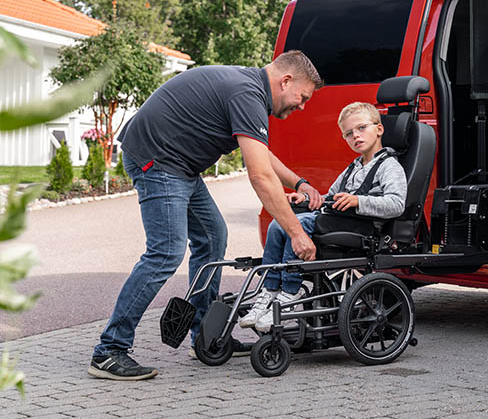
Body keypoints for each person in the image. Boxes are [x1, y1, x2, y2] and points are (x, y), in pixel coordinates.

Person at [88, 50, 325, 381]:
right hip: (158, 161)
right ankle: (109, 350)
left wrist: (299, 181)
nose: (301, 106)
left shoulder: (248, 87)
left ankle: (206, 338)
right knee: (165, 252)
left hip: (179, 165)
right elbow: (259, 176)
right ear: (285, 81)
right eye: (302, 97)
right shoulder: (248, 93)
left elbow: (262, 153)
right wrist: (297, 233)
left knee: (213, 237)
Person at [239, 101, 407, 332]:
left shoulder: (390, 166)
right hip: (338, 220)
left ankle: (289, 293)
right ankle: (269, 292)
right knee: (280, 224)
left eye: (361, 128)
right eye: (348, 134)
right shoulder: (353, 167)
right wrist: (307, 200)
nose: (355, 136)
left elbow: (397, 204)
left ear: (379, 129)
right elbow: (330, 196)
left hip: (362, 227)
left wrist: (359, 201)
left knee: (297, 224)